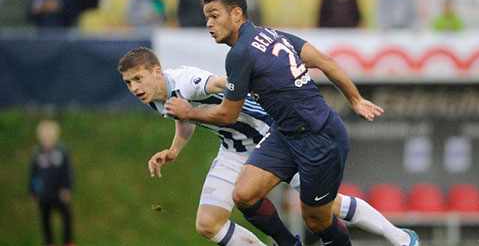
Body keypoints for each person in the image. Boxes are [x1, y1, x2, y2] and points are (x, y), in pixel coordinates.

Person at [162, 0, 407, 246]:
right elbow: (324, 60)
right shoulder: (271, 34)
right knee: (245, 195)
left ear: (236, 14)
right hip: (285, 133)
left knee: (318, 221)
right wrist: (354, 100)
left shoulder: (240, 53)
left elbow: (228, 114)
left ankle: (397, 236)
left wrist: (190, 112)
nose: (208, 24)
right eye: (206, 18)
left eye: (214, 15)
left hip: (319, 137)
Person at [119, 47, 419, 246]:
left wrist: (254, 87)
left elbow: (219, 83)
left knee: (326, 207)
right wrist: (174, 150)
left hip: (272, 138)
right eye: (128, 83)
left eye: (138, 79)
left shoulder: (186, 80)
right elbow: (184, 116)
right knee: (208, 224)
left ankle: (401, 238)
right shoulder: (154, 96)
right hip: (233, 148)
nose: (134, 87)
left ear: (157, 71)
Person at [29, 119, 75, 246]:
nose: (47, 138)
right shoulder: (38, 154)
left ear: (55, 136)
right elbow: (33, 175)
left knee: (66, 217)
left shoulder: (61, 152)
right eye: (44, 136)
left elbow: (68, 171)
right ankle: (49, 242)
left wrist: (67, 188)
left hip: (59, 192)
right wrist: (33, 192)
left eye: (49, 136)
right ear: (40, 137)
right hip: (44, 193)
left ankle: (68, 242)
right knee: (45, 220)